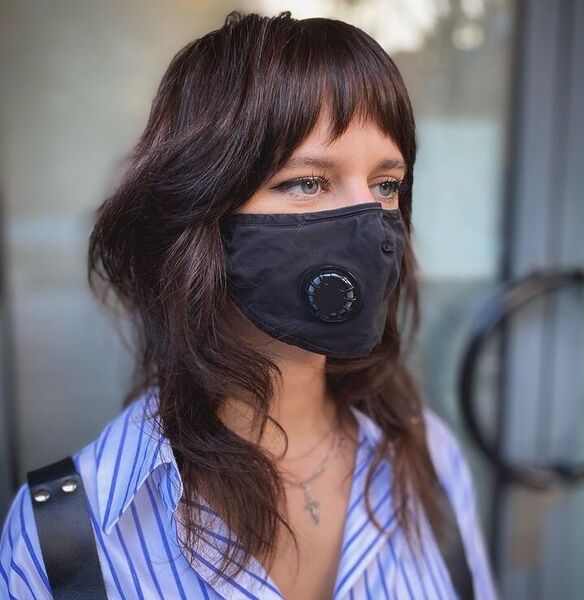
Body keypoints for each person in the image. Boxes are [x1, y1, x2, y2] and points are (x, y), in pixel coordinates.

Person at [0, 10, 498, 600]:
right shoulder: (64, 536)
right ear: (202, 213)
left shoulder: (431, 463)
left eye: (386, 183)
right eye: (309, 182)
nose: (368, 221)